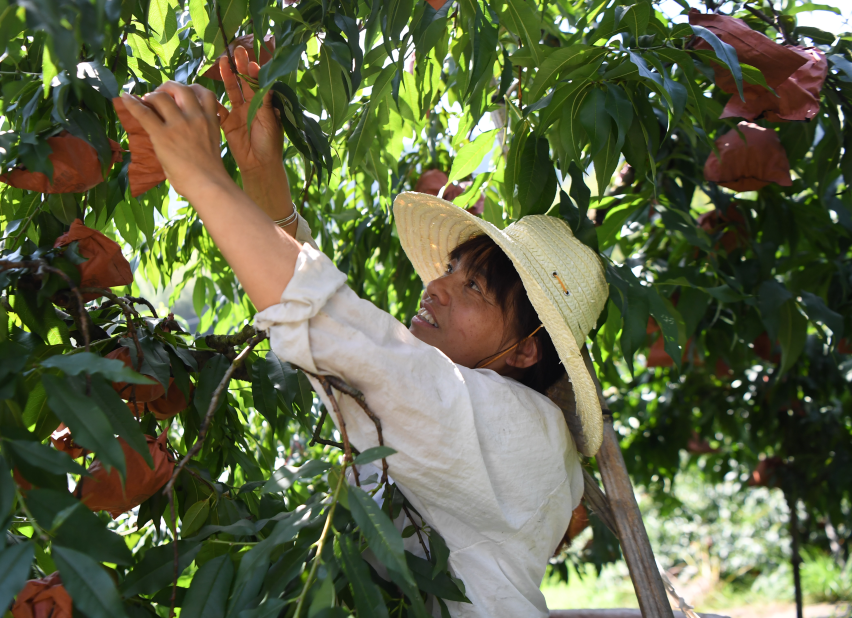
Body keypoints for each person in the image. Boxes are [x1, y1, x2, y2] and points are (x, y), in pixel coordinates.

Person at [120, 47, 609, 618]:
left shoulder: (520, 428)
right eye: (450, 270)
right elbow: (351, 340)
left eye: (474, 287)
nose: (436, 287)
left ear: (525, 350)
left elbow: (349, 338)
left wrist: (202, 175)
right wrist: (260, 173)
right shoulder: (493, 414)